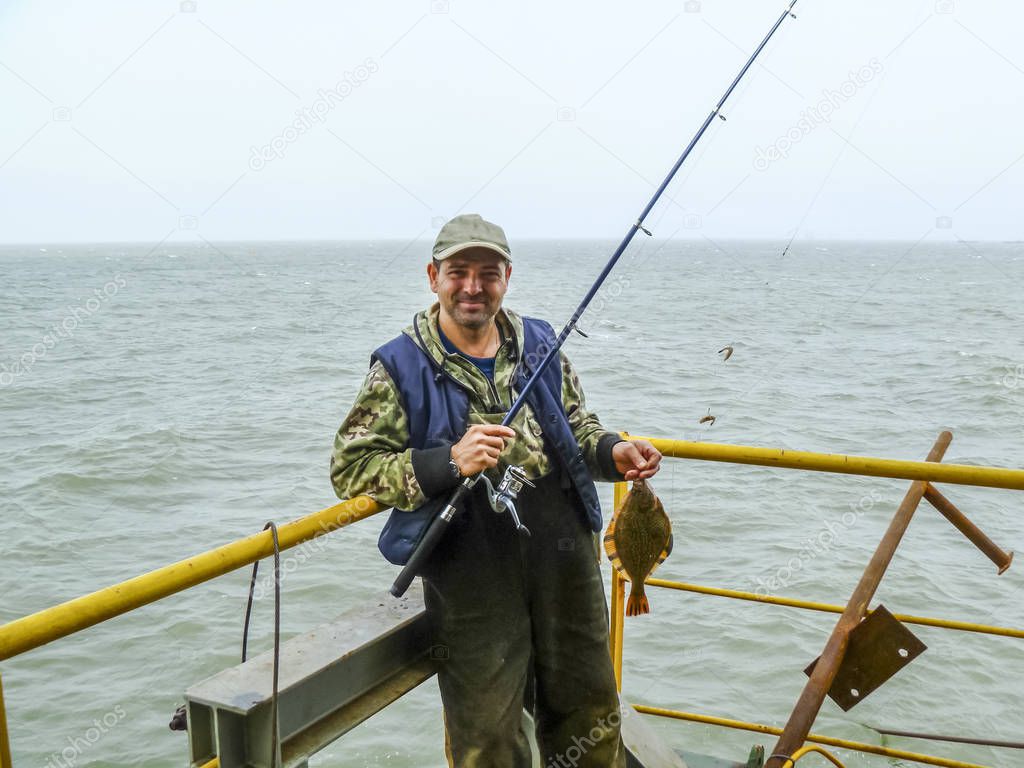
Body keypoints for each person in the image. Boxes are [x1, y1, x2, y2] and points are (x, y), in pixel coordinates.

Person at [330, 213, 662, 768]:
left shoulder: (539, 342)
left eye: (488, 273)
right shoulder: (399, 365)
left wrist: (613, 450)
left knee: (591, 713)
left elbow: (577, 426)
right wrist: (447, 462)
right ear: (432, 276)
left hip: (565, 558)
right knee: (487, 733)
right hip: (471, 572)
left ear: (507, 277)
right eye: (458, 272)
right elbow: (351, 469)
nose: (472, 287)